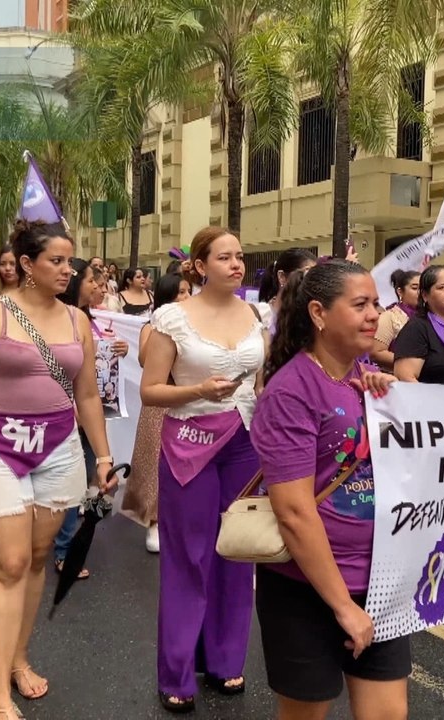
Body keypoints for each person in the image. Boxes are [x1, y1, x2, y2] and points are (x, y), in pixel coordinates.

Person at [0, 222, 116, 719]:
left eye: (70, 261)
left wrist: (102, 457)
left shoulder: (78, 320)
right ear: (27, 263)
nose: (68, 269)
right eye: (57, 261)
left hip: (59, 448)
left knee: (38, 558)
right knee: (9, 563)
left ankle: (19, 657)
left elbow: (86, 395)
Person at [252, 260, 405, 720]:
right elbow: (294, 511)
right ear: (318, 313)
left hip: (379, 583)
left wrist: (396, 402)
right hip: (306, 591)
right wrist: (343, 606)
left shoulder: (367, 381)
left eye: (376, 303)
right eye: (360, 305)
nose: (374, 315)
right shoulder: (291, 392)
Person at [140, 226, 265, 713]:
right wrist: (197, 392)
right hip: (189, 443)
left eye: (240, 256)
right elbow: (152, 390)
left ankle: (226, 660)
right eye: (225, 257)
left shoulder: (255, 314)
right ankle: (176, 672)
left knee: (237, 551)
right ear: (199, 265)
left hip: (244, 443)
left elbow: (261, 381)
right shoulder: (173, 318)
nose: (236, 265)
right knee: (189, 558)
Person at [50, 259, 129, 577]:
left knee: (75, 481)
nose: (98, 286)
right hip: (58, 414)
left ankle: (65, 549)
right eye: (90, 280)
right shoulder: (59, 320)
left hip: (87, 415)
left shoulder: (89, 320)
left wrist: (116, 348)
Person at [123, 272, 191, 553]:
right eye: (181, 293)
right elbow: (144, 358)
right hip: (159, 404)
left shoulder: (196, 325)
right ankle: (154, 521)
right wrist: (165, 323)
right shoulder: (152, 326)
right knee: (154, 462)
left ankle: (181, 523)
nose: (187, 298)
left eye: (189, 291)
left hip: (189, 402)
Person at [256, 247, 319, 331]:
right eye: (305, 275)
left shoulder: (311, 317)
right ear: (282, 276)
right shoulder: (260, 314)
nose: (310, 283)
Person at [370, 269, 419, 370]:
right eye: (415, 288)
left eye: (424, 289)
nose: (420, 293)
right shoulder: (390, 316)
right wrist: (411, 364)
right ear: (400, 291)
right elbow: (376, 353)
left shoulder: (431, 315)